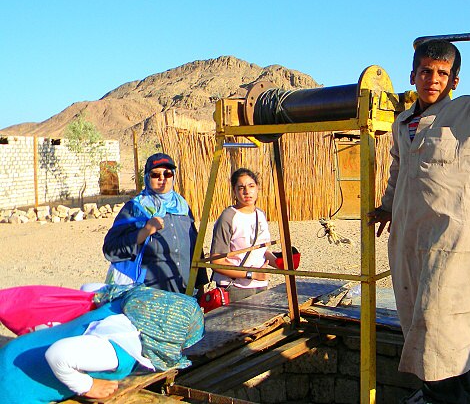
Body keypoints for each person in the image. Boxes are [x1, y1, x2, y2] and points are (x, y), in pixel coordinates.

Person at [368, 27, 470, 403]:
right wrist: (388, 206)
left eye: (442, 73)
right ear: (412, 76)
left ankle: (447, 395)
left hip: (452, 241)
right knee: (419, 318)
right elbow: (398, 166)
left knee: (443, 322)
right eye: (425, 71)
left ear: (455, 80)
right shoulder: (402, 122)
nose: (432, 79)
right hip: (409, 238)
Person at [0, 285, 204, 404]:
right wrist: (89, 386)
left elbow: (88, 287)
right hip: (16, 387)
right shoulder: (120, 351)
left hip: (16, 352)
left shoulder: (119, 305)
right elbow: (58, 355)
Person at [103, 152, 207, 293]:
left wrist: (200, 285)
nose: (162, 179)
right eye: (155, 175)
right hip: (150, 295)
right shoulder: (135, 208)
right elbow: (110, 249)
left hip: (186, 293)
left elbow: (195, 248)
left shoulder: (182, 207)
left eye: (167, 174)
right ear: (147, 177)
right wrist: (145, 231)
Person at [210, 168, 278, 302]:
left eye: (251, 186)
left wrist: (278, 263)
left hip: (260, 285)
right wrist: (251, 274)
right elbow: (216, 261)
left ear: (257, 188)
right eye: (241, 187)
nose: (247, 191)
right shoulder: (228, 217)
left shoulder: (260, 214)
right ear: (234, 191)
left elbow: (260, 250)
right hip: (234, 287)